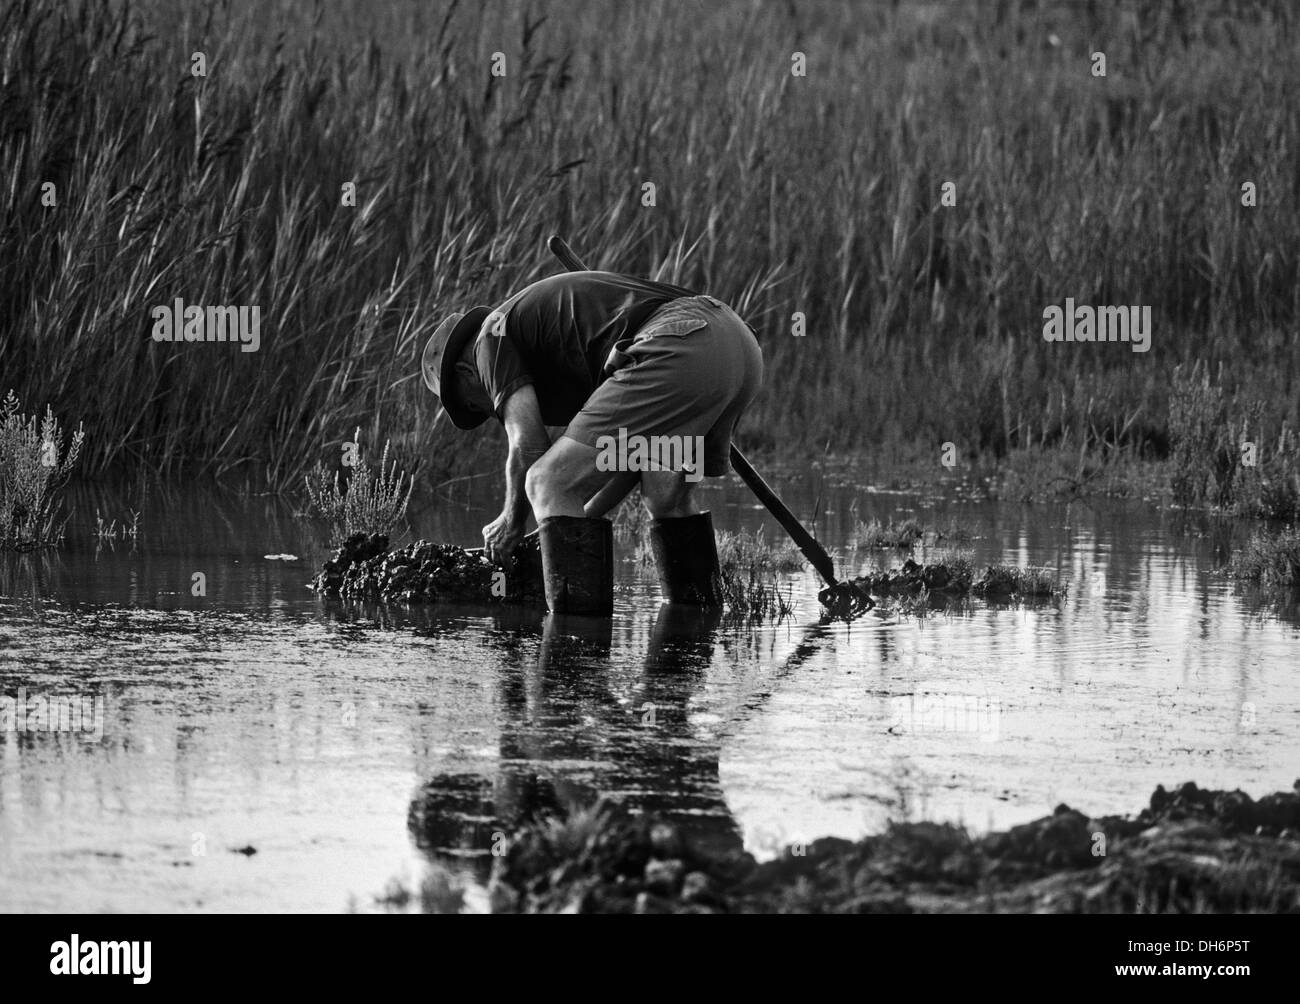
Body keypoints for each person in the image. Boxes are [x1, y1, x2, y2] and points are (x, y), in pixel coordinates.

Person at [422, 268, 763, 613]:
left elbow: (527, 445)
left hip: (679, 343)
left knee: (546, 480)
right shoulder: (560, 354)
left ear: (465, 374)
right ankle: (696, 628)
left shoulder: (488, 340)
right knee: (665, 498)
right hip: (736, 345)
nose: (485, 412)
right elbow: (629, 458)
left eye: (468, 403)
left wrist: (510, 522)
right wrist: (566, 524)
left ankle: (576, 652)